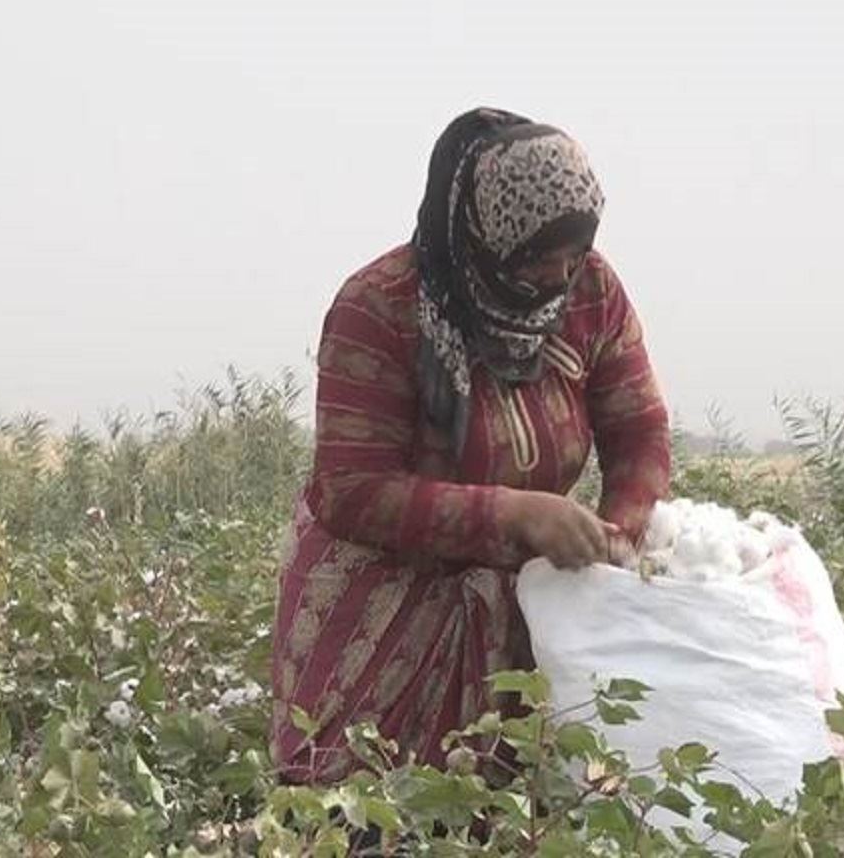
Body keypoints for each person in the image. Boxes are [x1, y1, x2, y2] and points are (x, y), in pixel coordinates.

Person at [270, 107, 671, 783]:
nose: (559, 274)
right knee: (364, 809)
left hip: (522, 595)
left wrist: (616, 534)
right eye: (538, 257)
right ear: (484, 238)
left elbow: (639, 430)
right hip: (386, 604)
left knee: (508, 805)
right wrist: (515, 514)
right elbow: (352, 490)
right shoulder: (380, 308)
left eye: (574, 252)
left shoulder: (592, 295)